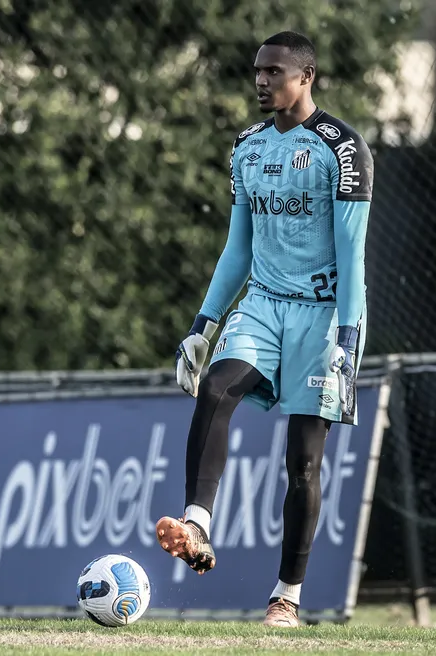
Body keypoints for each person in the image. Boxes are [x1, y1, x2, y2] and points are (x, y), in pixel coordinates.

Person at [155, 30, 374, 628]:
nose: (261, 81)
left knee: (303, 463)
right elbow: (237, 249)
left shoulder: (344, 149)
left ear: (306, 77)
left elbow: (353, 256)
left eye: (274, 72)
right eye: (257, 71)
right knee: (216, 388)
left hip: (325, 317)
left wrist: (349, 342)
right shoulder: (247, 147)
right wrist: (204, 324)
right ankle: (197, 522)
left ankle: (287, 597)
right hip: (263, 305)